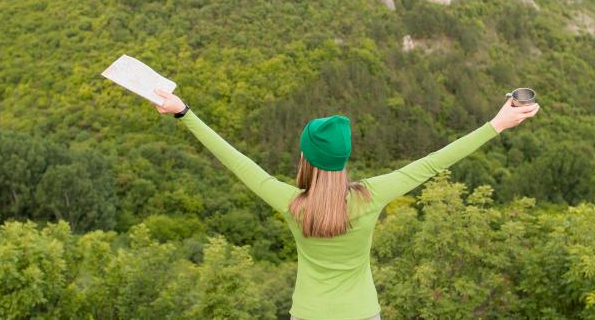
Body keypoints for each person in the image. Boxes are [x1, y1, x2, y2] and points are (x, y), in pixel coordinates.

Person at [152, 88, 540, 320]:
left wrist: (184, 113)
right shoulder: (371, 196)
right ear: (344, 157)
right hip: (361, 313)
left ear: (305, 159)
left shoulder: (291, 203)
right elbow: (435, 161)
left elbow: (236, 160)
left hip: (308, 313)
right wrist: (497, 124)